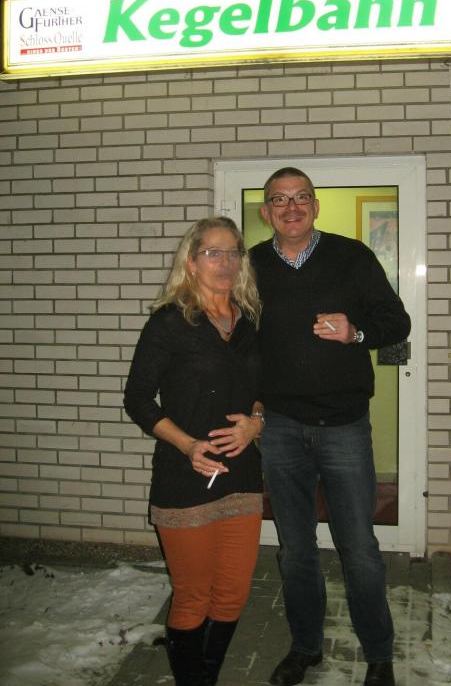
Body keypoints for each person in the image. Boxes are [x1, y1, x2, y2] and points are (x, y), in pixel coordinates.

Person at [250, 167, 411, 686]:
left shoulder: (352, 257)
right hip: (280, 428)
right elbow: (241, 343)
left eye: (301, 197)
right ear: (266, 212)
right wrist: (253, 406)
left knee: (358, 547)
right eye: (280, 200)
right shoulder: (251, 266)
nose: (291, 208)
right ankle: (306, 647)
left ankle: (379, 654)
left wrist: (356, 332)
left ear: (316, 206)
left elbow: (397, 322)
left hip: (344, 426)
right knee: (296, 549)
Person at [123, 217, 265, 686]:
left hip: (241, 475)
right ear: (191, 261)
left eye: (233, 253)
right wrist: (187, 445)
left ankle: (207, 676)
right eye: (213, 253)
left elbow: (262, 391)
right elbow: (137, 399)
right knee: (192, 596)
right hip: (185, 477)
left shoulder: (249, 322)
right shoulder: (170, 322)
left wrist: (256, 422)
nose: (225, 262)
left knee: (232, 593)